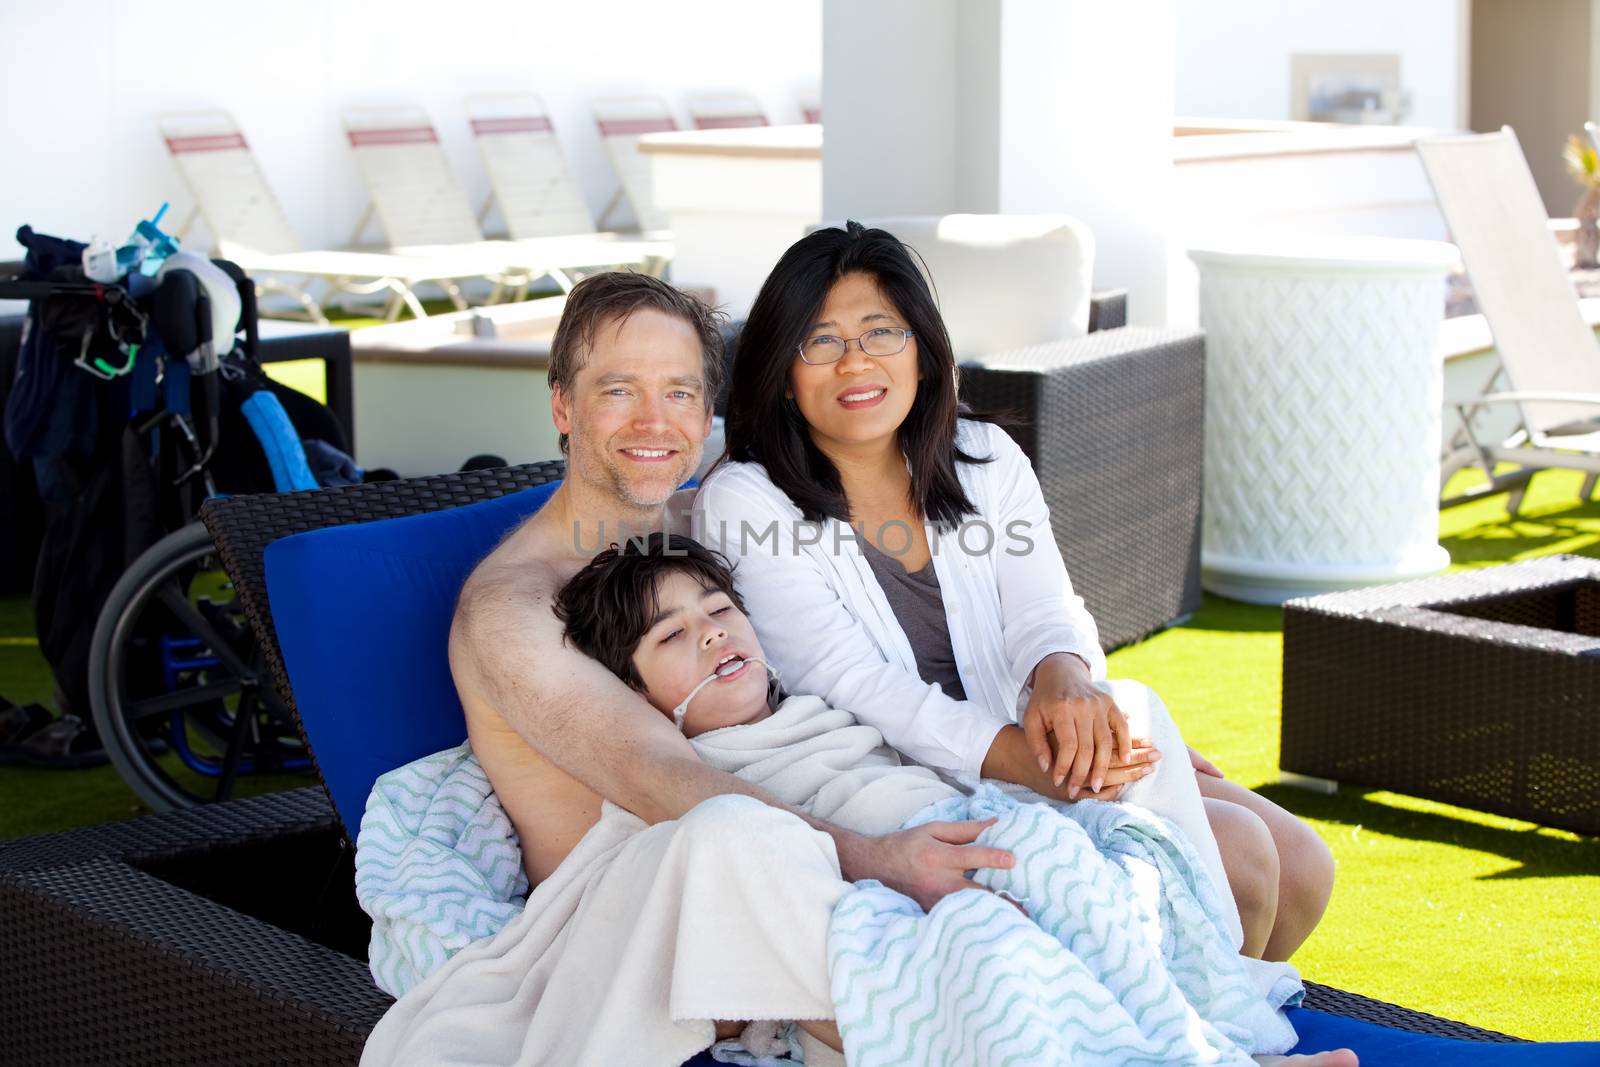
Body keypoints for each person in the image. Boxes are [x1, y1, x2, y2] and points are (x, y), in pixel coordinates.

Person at [695, 220, 1336, 962]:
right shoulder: (746, 501)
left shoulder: (985, 458)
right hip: (902, 782)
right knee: (1243, 858)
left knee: (1304, 864)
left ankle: (1179, 1022)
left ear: (923, 350)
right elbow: (846, 681)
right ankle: (1204, 1032)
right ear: (782, 368)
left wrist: (1067, 685)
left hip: (1031, 743)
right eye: (822, 340)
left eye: (881, 332)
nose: (856, 361)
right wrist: (1026, 760)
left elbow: (1047, 606)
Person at [443, 269, 1017, 1061]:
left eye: (680, 392)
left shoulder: (713, 532)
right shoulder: (514, 608)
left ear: (707, 412)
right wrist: (881, 859)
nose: (656, 420)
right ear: (562, 406)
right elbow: (665, 785)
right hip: (652, 915)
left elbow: (862, 657)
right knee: (746, 843)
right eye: (618, 390)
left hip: (803, 843)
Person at [551, 531, 1354, 1067]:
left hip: (968, 830)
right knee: (1005, 924)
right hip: (876, 891)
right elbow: (700, 876)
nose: (712, 633)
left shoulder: (824, 704)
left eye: (719, 611)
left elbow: (937, 746)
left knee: (1077, 855)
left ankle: (1204, 1045)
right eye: (671, 635)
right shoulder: (678, 769)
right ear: (635, 691)